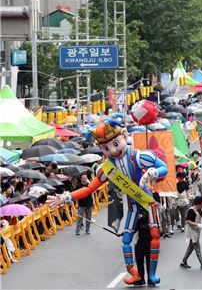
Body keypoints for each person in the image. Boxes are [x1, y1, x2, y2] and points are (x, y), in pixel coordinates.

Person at [48, 119, 168, 286]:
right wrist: (65, 197)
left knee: (155, 235)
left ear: (124, 135)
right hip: (133, 205)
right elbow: (89, 189)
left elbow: (164, 167)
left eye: (115, 143)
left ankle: (153, 274)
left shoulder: (139, 156)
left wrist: (152, 172)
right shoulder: (107, 168)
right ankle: (135, 274)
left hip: (148, 202)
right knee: (126, 240)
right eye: (105, 148)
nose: (112, 150)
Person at [180, 196, 202, 270]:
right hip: (192, 231)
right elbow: (187, 221)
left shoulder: (199, 209)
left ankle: (183, 262)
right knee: (197, 247)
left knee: (191, 247)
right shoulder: (191, 211)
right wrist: (197, 224)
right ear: (199, 204)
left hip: (197, 230)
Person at [134, 211, 152, 286]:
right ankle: (146, 279)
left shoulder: (145, 212)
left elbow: (133, 229)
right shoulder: (151, 212)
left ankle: (145, 279)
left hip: (145, 242)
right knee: (144, 261)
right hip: (145, 242)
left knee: (144, 261)